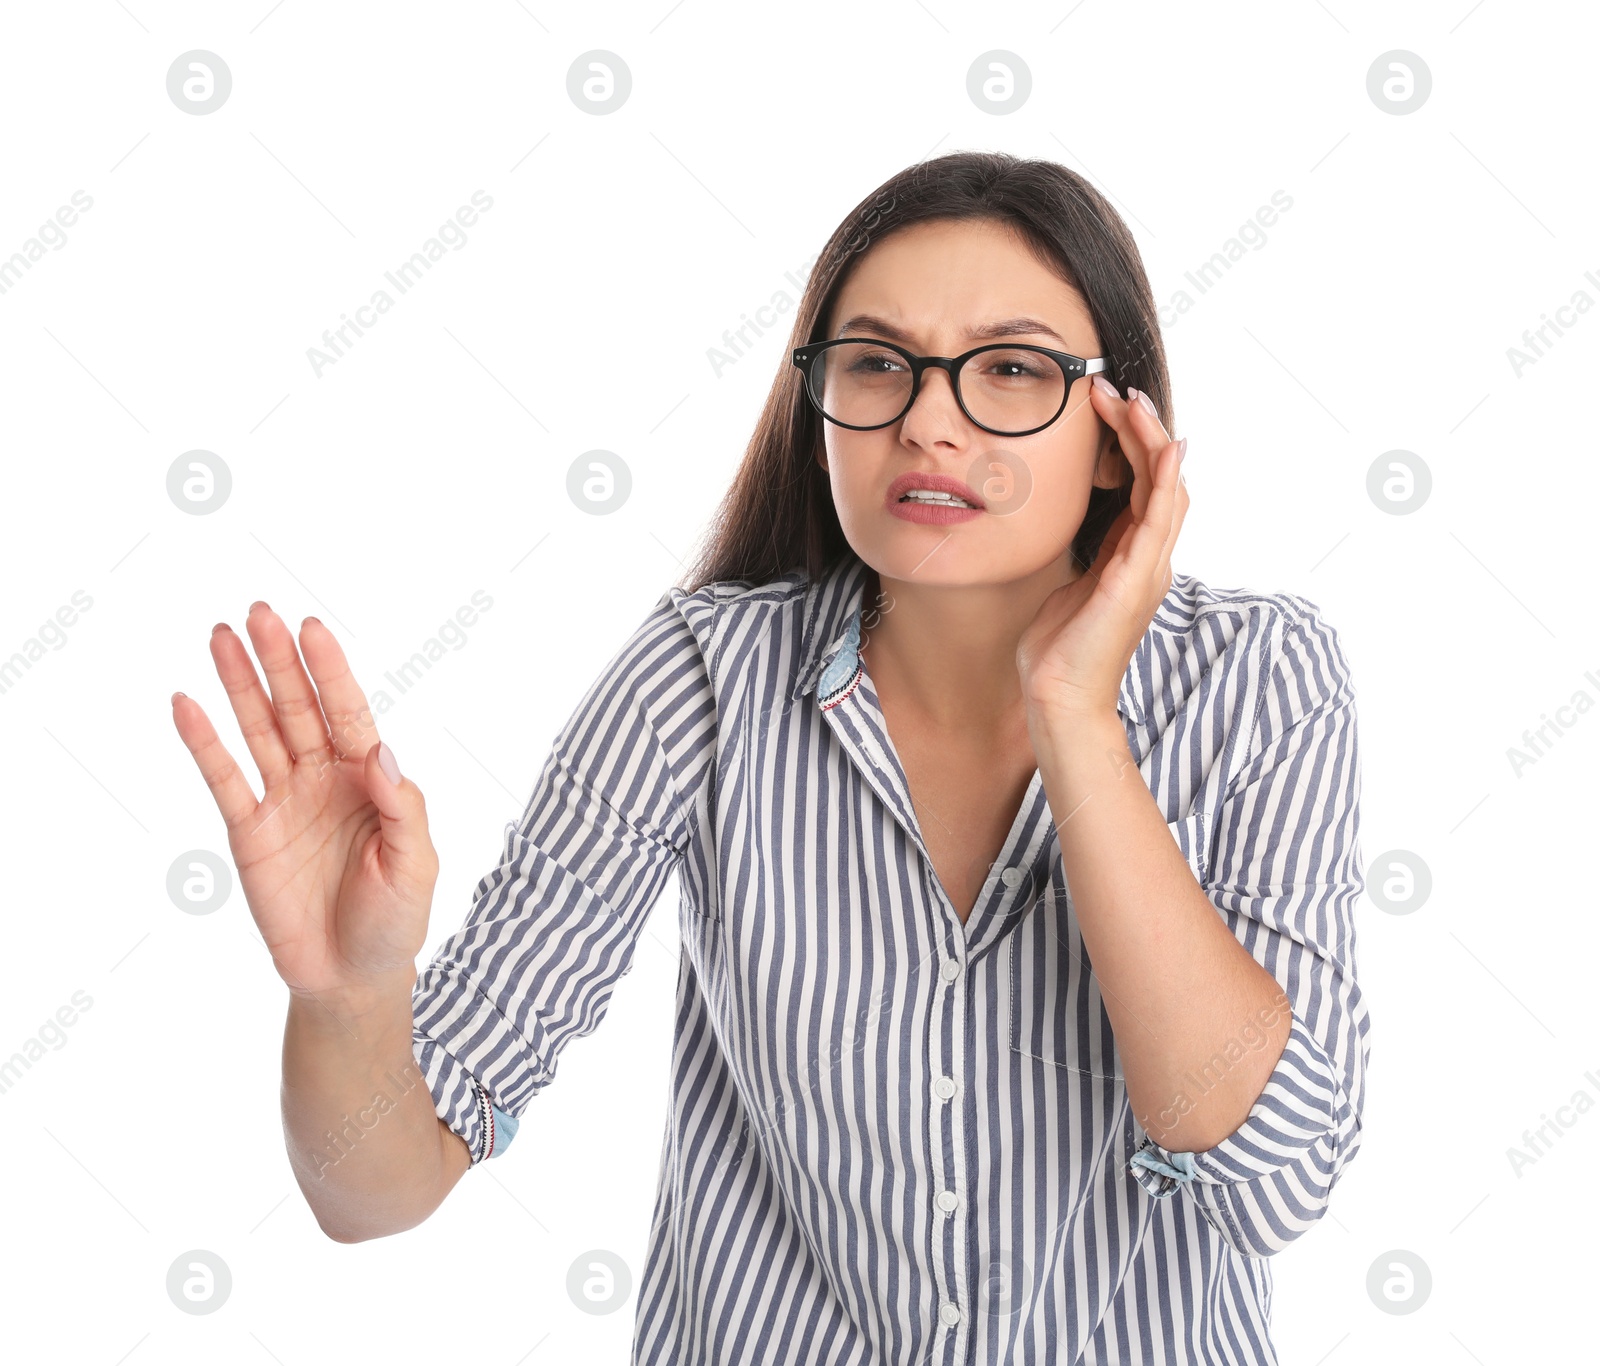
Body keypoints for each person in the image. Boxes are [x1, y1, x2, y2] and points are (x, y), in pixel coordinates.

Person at [172, 150, 1369, 1364]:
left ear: (1121, 440)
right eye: (876, 365)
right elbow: (371, 1189)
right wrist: (344, 995)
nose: (928, 419)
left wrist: (1074, 717)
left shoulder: (1259, 682)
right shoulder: (699, 680)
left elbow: (1272, 1178)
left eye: (1010, 369)